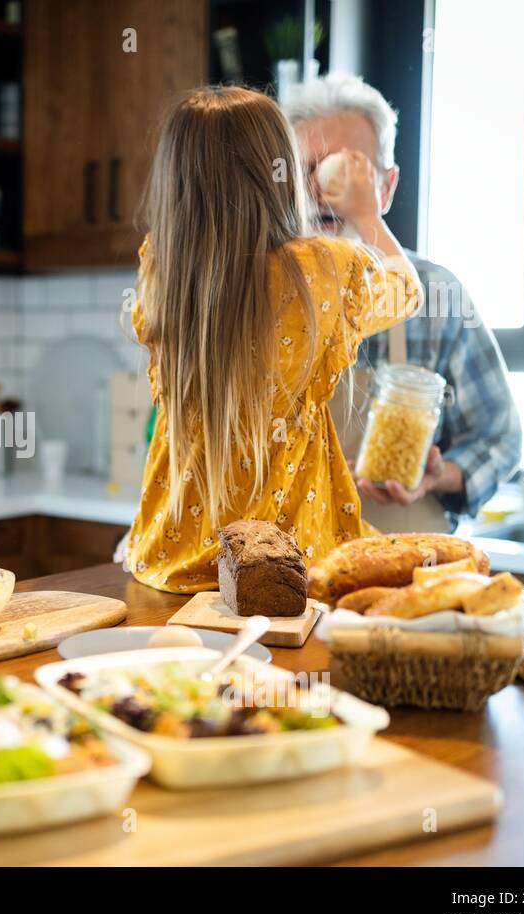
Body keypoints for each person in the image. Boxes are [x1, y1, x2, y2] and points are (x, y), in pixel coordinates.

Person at [123, 86, 423, 593]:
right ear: (279, 175)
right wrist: (367, 214)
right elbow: (407, 291)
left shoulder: (162, 270)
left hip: (172, 560)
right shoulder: (325, 270)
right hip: (287, 565)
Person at [284, 74, 522, 531]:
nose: (324, 190)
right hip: (291, 576)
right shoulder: (271, 296)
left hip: (408, 571)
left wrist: (437, 475)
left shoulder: (436, 296)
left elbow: (499, 436)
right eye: (307, 169)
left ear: (386, 187)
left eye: (348, 170)